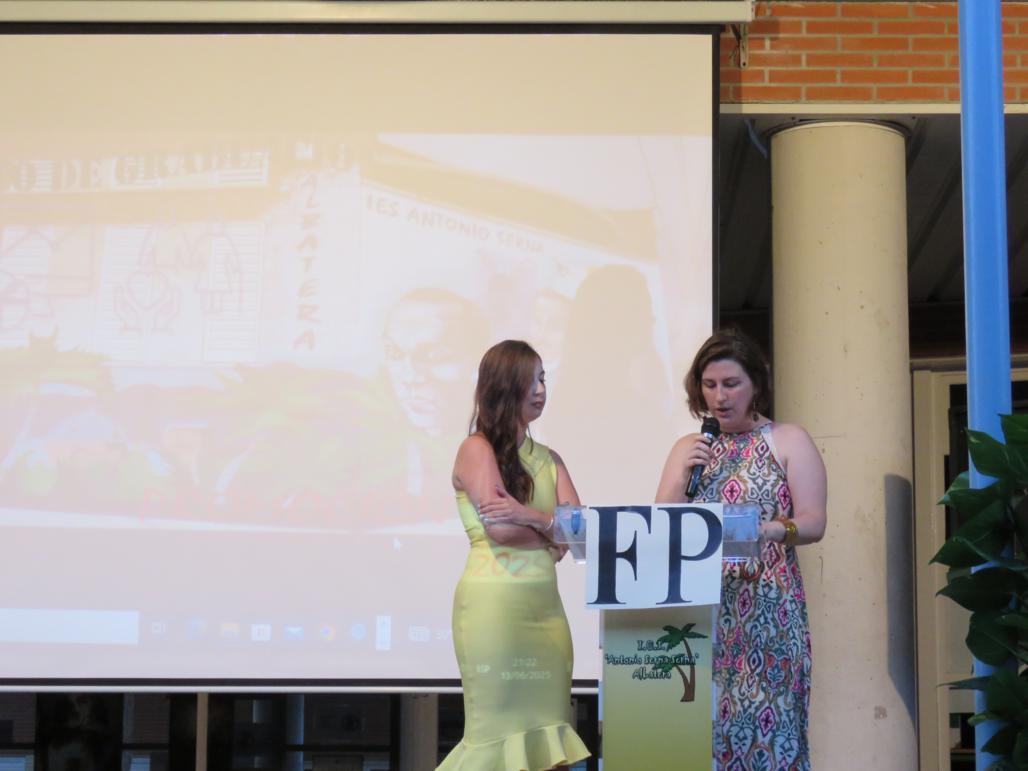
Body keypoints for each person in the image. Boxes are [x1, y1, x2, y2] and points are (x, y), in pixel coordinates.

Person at [655, 329, 827, 771]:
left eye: (731, 384)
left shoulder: (787, 439)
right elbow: (660, 524)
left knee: (771, 733)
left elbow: (814, 522)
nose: (719, 396)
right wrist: (683, 475)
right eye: (709, 385)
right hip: (701, 613)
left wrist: (768, 530)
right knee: (704, 736)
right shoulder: (688, 448)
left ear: (756, 383)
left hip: (768, 612)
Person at [437, 340, 591, 771]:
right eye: (531, 380)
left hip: (546, 612)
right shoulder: (476, 448)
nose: (541, 389)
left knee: (552, 739)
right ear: (504, 386)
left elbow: (580, 535)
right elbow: (501, 532)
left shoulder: (550, 459)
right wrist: (552, 531)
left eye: (543, 378)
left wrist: (529, 516)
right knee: (496, 738)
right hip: (495, 608)